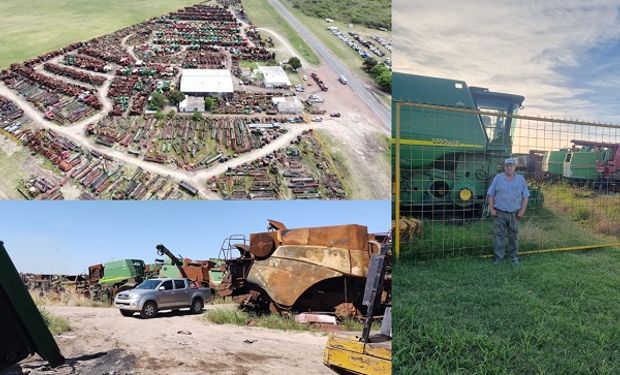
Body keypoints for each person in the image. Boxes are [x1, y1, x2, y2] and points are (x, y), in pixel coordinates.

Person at [487, 158, 530, 265]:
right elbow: (490, 194)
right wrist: (491, 209)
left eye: (511, 165)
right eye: (507, 166)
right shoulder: (498, 178)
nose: (509, 168)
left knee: (514, 236)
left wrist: (522, 211)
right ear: (504, 167)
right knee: (499, 235)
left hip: (514, 214)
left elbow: (525, 196)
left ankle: (513, 257)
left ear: (515, 167)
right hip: (499, 213)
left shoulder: (520, 179)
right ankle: (498, 257)